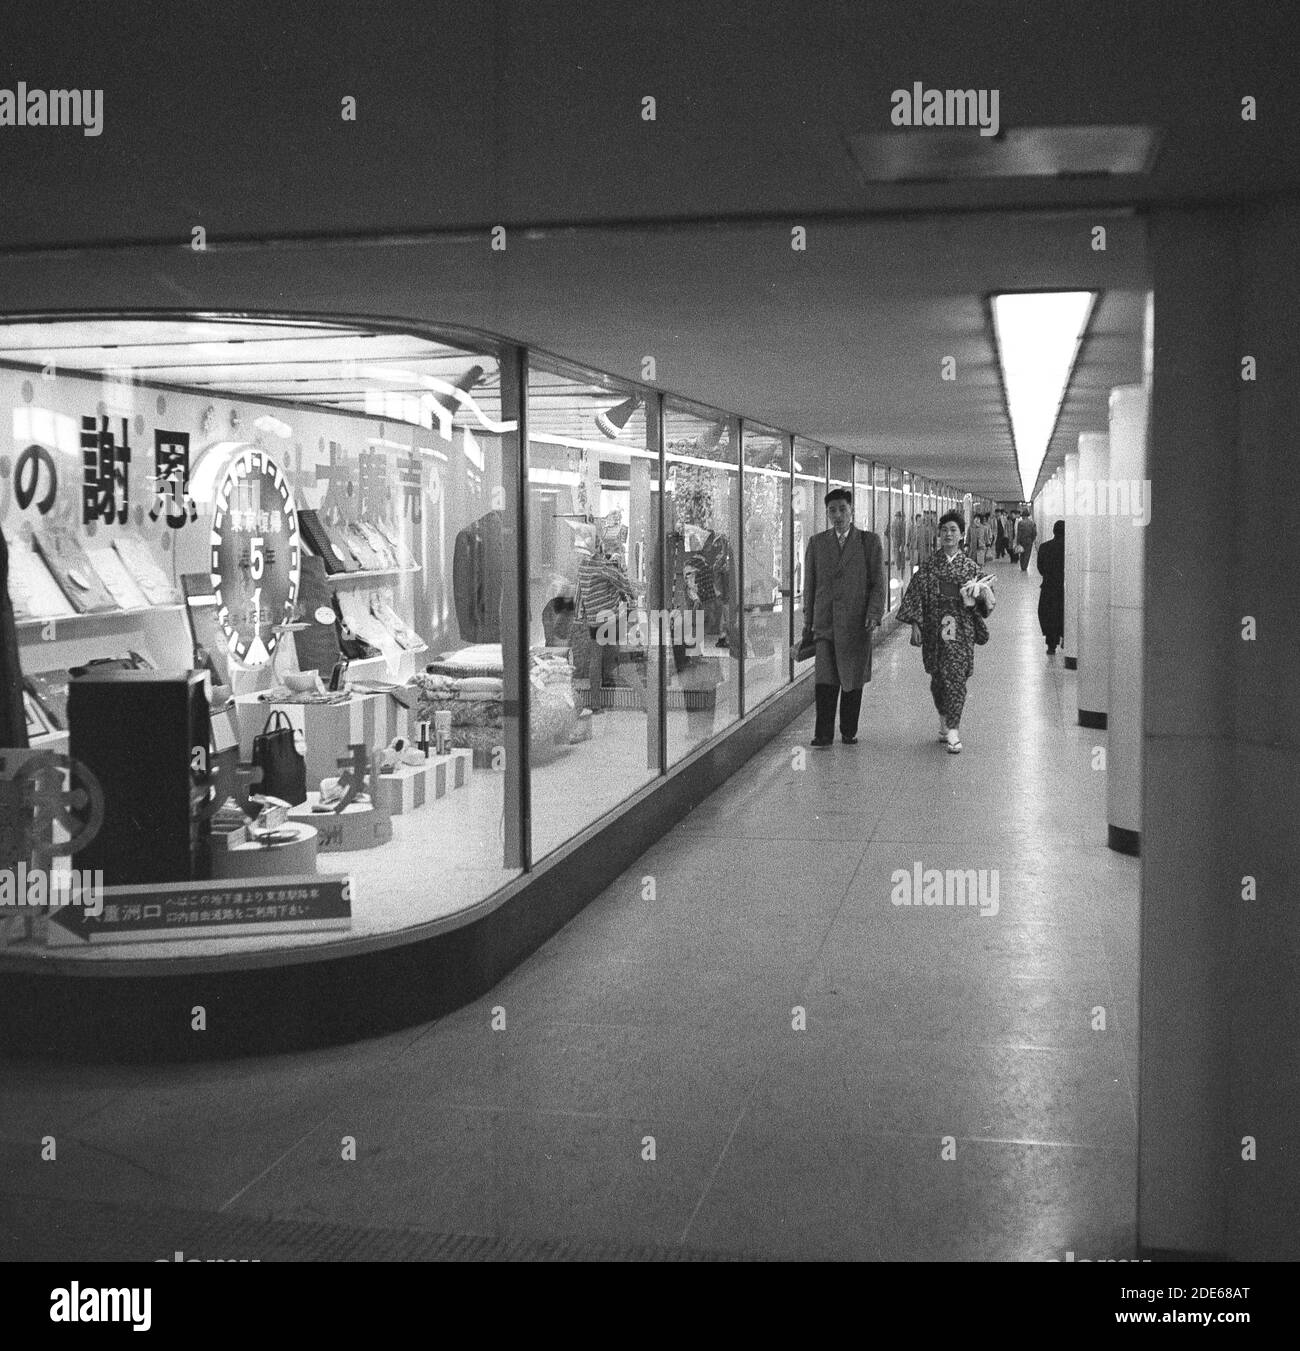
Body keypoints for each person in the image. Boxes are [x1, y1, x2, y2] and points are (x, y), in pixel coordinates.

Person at [896, 509, 992, 754]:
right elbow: (915, 595)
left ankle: (953, 731)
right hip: (934, 631)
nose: (948, 534)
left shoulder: (970, 568)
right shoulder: (929, 567)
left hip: (961, 631)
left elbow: (988, 602)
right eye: (944, 530)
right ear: (939, 535)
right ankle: (944, 720)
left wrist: (978, 594)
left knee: (956, 679)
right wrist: (916, 624)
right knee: (939, 679)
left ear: (961, 536)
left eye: (953, 530)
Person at [801, 487, 886, 747]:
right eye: (832, 510)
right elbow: (810, 584)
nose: (837, 515)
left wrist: (874, 613)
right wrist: (808, 620)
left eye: (842, 509)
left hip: (856, 623)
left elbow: (877, 583)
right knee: (825, 679)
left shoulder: (868, 542)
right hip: (825, 623)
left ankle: (848, 730)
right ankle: (823, 734)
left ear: (852, 511)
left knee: (852, 678)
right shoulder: (817, 543)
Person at [1037, 519, 1066, 655]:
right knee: (1062, 612)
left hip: (1048, 586)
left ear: (1053, 531)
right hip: (1063, 587)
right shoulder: (1069, 548)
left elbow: (1040, 568)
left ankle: (1051, 644)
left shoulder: (1044, 547)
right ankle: (1065, 637)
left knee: (1048, 613)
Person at [1014, 508, 1037, 572]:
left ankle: (1022, 566)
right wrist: (1032, 539)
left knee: (1022, 553)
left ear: (1023, 516)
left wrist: (1017, 543)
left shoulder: (1020, 523)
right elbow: (1034, 533)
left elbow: (1019, 534)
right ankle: (1025, 566)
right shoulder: (1032, 523)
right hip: (1029, 540)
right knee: (1027, 554)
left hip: (1022, 540)